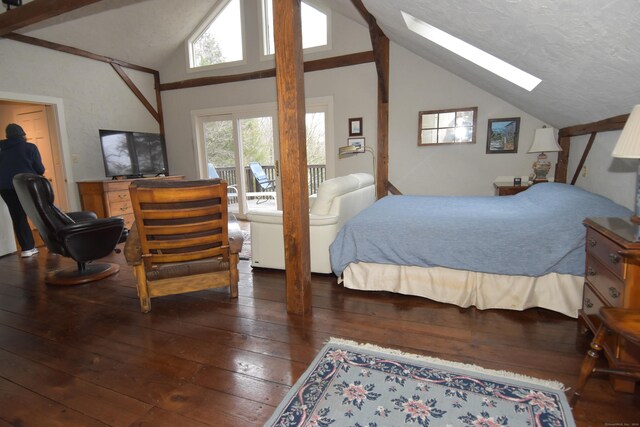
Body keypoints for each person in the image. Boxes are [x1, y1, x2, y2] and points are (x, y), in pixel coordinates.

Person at [0, 123, 45, 257]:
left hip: (5, 187)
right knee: (39, 214)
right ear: (23, 134)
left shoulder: (2, 149)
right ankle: (50, 243)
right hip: (26, 185)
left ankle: (27, 249)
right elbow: (40, 169)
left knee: (18, 217)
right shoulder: (30, 147)